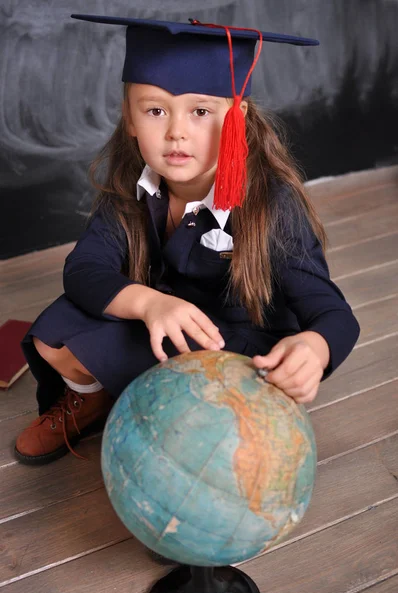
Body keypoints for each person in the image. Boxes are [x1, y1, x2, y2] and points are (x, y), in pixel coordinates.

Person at [14, 14, 360, 466]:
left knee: (201, 447)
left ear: (237, 117)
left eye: (201, 111)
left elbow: (335, 315)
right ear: (130, 118)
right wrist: (150, 304)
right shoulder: (129, 191)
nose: (176, 131)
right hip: (167, 330)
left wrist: (314, 349)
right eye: (155, 110)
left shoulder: (270, 205)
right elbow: (83, 270)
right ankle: (93, 396)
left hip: (237, 350)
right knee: (55, 331)